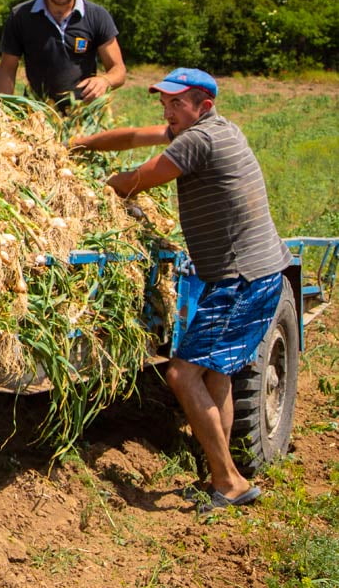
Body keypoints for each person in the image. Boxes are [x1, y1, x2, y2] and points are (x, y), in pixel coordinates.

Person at [70, 68, 289, 513]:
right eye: (164, 104)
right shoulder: (208, 127)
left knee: (181, 374)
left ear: (202, 106)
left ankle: (229, 481)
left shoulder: (198, 139)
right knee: (216, 375)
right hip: (251, 274)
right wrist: (84, 144)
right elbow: (135, 136)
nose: (168, 112)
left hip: (241, 280)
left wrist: (91, 187)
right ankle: (219, 476)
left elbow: (138, 178)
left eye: (176, 104)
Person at [0, 0, 126, 107]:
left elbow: (118, 69)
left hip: (83, 116)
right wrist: (4, 108)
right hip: (37, 114)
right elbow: (7, 68)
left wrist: (105, 80)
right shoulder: (21, 15)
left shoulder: (97, 16)